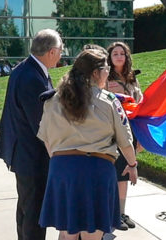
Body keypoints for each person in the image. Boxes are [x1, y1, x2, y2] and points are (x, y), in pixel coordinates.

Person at [37, 49, 138, 240]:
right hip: (96, 171)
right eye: (106, 68)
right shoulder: (109, 101)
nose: (108, 72)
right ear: (95, 72)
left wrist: (63, 161)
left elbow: (47, 139)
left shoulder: (53, 100)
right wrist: (132, 165)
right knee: (93, 234)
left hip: (62, 171)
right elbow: (125, 141)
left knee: (67, 234)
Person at [0, 28, 63, 240]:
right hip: (32, 157)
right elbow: (41, 124)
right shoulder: (32, 76)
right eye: (60, 50)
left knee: (26, 208)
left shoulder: (27, 69)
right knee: (33, 212)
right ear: (51, 51)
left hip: (24, 153)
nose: (61, 55)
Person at [106, 41, 143, 231]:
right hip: (112, 133)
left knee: (125, 174)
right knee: (112, 174)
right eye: (115, 54)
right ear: (110, 58)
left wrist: (125, 92)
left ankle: (121, 212)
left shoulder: (131, 78)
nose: (119, 56)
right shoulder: (106, 78)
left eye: (122, 53)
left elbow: (140, 101)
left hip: (131, 129)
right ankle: (111, 214)